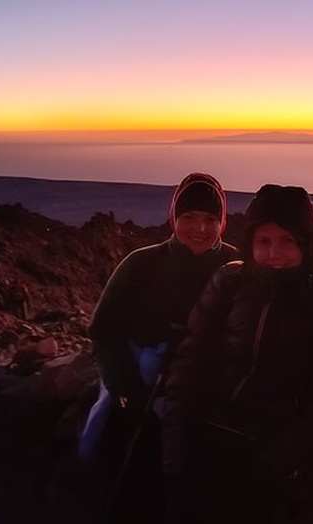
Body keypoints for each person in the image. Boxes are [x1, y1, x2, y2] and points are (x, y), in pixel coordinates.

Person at [161, 184, 313, 524]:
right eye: (263, 242)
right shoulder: (230, 281)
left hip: (270, 451)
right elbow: (190, 363)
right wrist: (176, 448)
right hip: (207, 434)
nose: (274, 254)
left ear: (308, 243)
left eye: (288, 241)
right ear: (250, 243)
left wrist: (267, 467)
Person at [85, 172, 239, 523]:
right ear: (173, 218)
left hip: (207, 397)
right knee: (135, 480)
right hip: (143, 391)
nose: (199, 229)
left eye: (210, 220)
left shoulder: (236, 269)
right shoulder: (141, 264)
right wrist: (126, 390)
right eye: (189, 218)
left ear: (222, 222)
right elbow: (104, 331)